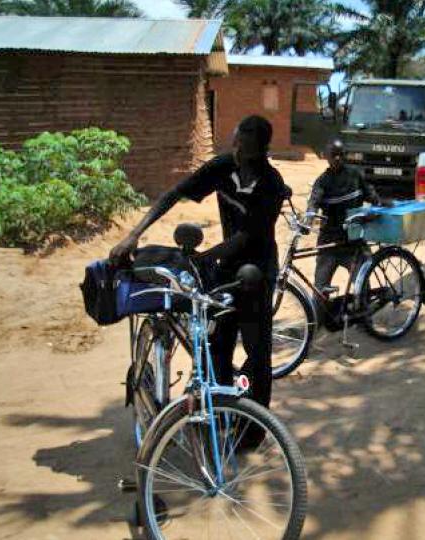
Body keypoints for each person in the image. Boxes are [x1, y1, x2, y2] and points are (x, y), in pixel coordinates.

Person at [110, 115, 286, 411]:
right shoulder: (222, 167)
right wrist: (134, 234)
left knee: (257, 353)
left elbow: (246, 237)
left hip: (258, 271)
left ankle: (251, 429)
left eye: (248, 149)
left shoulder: (271, 183)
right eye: (238, 146)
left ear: (262, 151)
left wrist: (204, 258)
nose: (240, 154)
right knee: (217, 345)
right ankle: (217, 415)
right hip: (228, 268)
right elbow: (174, 194)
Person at [306, 139, 384, 293]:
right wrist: (308, 219)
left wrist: (379, 207)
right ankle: (323, 316)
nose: (337, 159)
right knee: (320, 289)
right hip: (329, 241)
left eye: (341, 155)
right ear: (326, 156)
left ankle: (364, 315)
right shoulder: (322, 181)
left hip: (354, 240)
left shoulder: (355, 175)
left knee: (362, 288)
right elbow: (313, 202)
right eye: (333, 155)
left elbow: (372, 195)